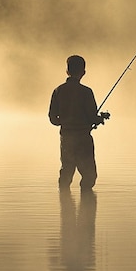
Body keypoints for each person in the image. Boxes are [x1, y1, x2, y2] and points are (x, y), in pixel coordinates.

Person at [49, 55, 109, 190]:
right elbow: (92, 118)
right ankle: (87, 205)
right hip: (83, 139)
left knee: (66, 173)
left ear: (67, 71)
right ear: (83, 72)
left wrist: (65, 122)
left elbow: (53, 119)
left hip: (66, 138)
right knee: (89, 176)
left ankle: (64, 205)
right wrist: (101, 118)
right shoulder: (86, 92)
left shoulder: (58, 91)